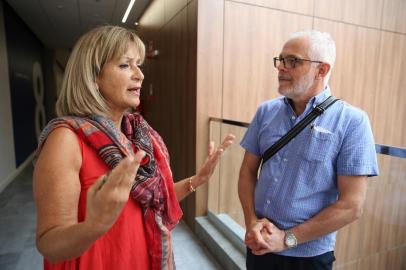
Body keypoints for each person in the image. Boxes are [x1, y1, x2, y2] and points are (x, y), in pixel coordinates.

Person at [33, 25, 235, 270]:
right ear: (93, 77)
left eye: (139, 64)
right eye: (125, 65)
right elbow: (49, 243)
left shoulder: (138, 135)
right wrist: (94, 225)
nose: (139, 74)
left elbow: (152, 200)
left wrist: (198, 179)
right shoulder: (66, 139)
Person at [238, 30, 378, 270]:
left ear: (321, 70)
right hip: (259, 246)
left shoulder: (352, 121)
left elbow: (351, 205)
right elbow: (247, 172)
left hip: (308, 258)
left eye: (292, 61)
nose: (281, 67)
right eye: (280, 60)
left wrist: (287, 239)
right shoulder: (266, 112)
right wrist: (251, 222)